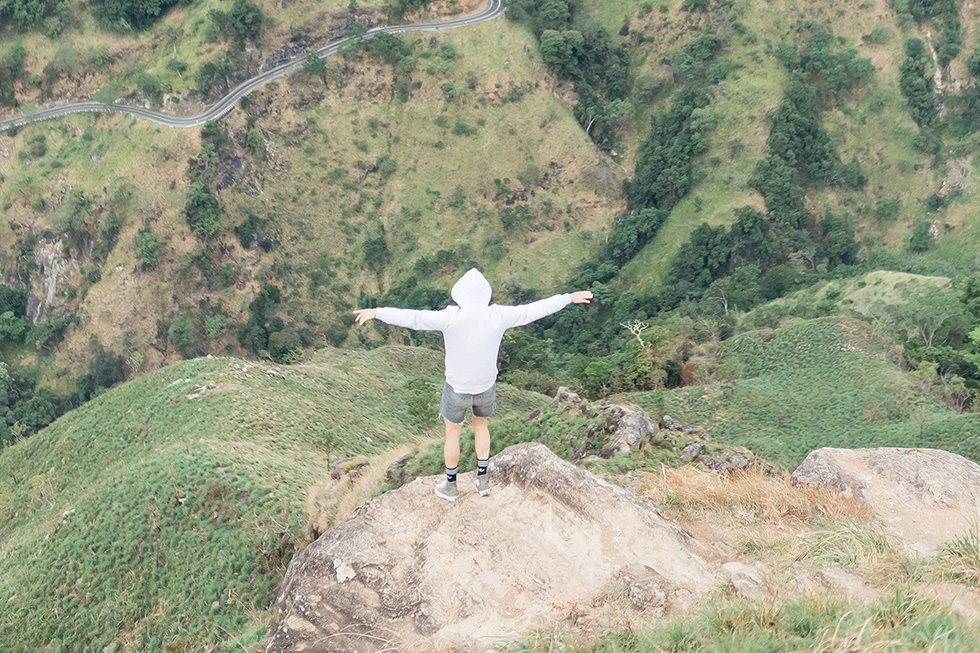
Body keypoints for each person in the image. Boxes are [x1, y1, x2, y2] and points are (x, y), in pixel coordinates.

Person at [353, 268, 593, 502]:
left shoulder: (450, 317)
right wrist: (568, 298)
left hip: (457, 388)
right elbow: (532, 310)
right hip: (485, 387)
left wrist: (378, 311)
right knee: (481, 426)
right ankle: (483, 480)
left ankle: (450, 486)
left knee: (452, 434)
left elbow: (415, 318)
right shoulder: (498, 316)